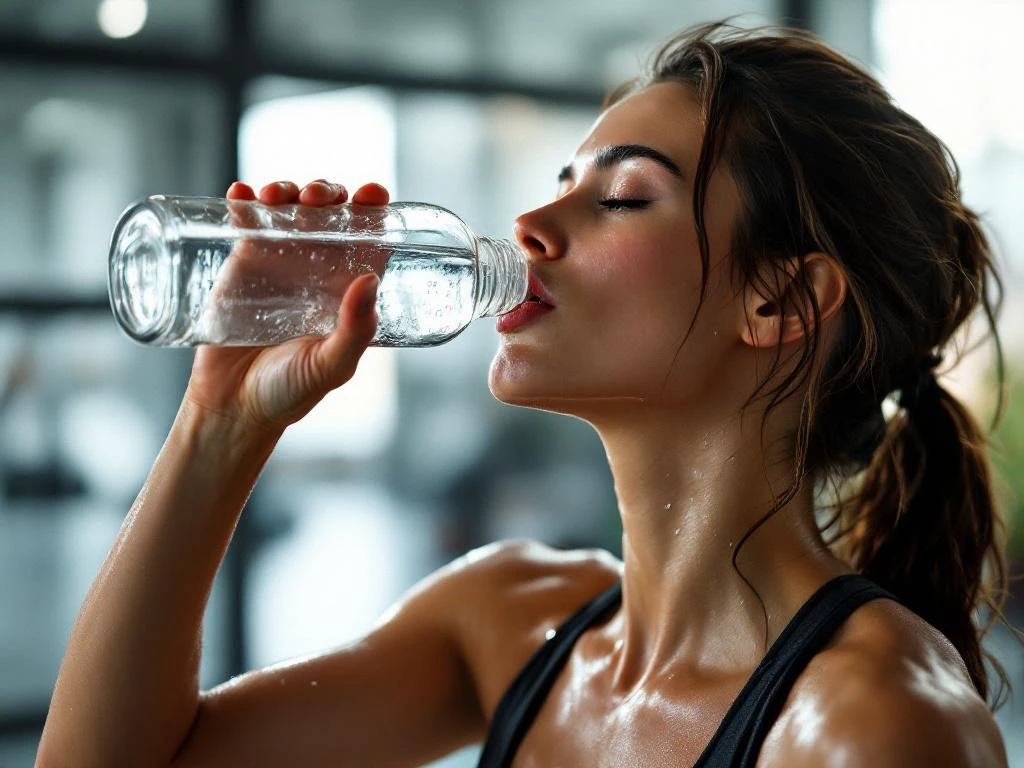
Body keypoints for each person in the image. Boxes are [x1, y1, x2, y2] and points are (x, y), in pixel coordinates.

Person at [38, 20, 1012, 768]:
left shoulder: (869, 721)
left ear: (781, 299)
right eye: (557, 181)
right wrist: (220, 425)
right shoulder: (504, 621)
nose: (532, 224)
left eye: (621, 196)